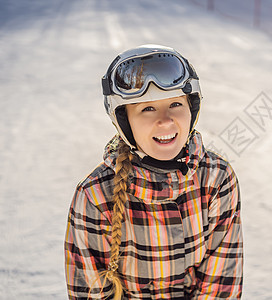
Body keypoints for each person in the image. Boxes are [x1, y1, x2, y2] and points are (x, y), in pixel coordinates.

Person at [64, 44, 243, 299]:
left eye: (175, 104)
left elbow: (221, 284)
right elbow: (88, 291)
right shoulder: (95, 195)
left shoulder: (216, 179)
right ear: (124, 121)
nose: (166, 120)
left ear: (192, 109)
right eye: (147, 108)